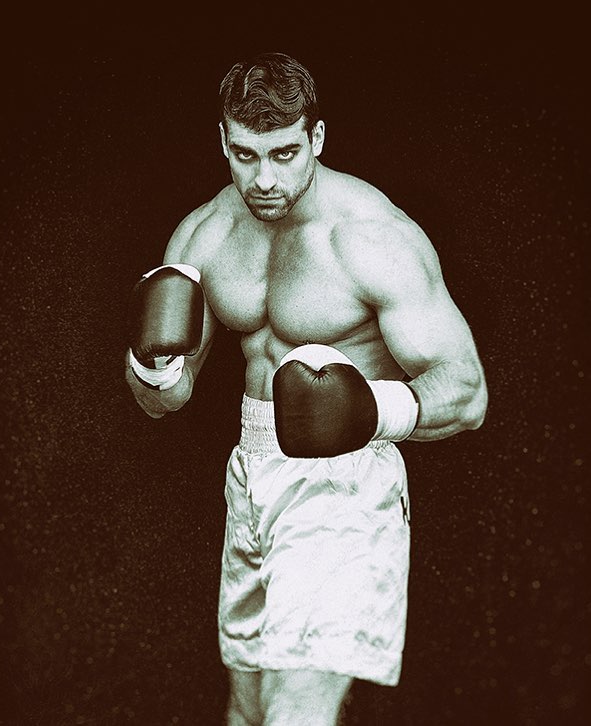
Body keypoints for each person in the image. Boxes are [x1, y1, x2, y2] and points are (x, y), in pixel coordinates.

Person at [125, 52, 488, 726]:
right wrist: (152, 369)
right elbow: (166, 400)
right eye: (246, 154)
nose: (264, 177)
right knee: (249, 708)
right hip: (252, 478)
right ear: (224, 141)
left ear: (316, 139)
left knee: (297, 711)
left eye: (286, 153)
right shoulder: (205, 234)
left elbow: (467, 392)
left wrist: (369, 409)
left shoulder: (370, 236)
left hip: (343, 485)